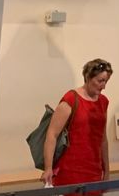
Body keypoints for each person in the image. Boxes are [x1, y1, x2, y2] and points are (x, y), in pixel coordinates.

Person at [42, 58, 112, 188]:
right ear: (88, 77)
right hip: (70, 170)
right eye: (100, 81)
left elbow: (103, 139)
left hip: (94, 170)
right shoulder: (71, 99)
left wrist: (107, 170)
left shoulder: (103, 102)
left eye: (106, 81)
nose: (104, 86)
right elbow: (52, 134)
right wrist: (48, 168)